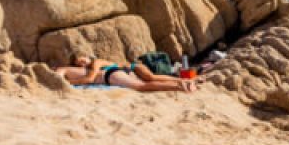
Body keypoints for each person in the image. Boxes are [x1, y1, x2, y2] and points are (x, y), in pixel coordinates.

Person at [56, 55, 197, 93]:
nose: (82, 63)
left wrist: (70, 83)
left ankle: (179, 84)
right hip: (115, 74)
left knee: (141, 86)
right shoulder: (72, 69)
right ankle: (179, 82)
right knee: (146, 83)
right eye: (78, 63)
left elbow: (89, 79)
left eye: (83, 60)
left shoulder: (96, 63)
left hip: (111, 75)